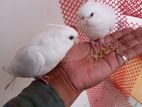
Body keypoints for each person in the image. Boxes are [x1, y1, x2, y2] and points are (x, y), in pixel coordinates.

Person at [3, 27, 142, 107]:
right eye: (71, 38)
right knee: (36, 63)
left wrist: (63, 82)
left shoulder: (57, 50)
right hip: (27, 67)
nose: (76, 41)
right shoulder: (36, 56)